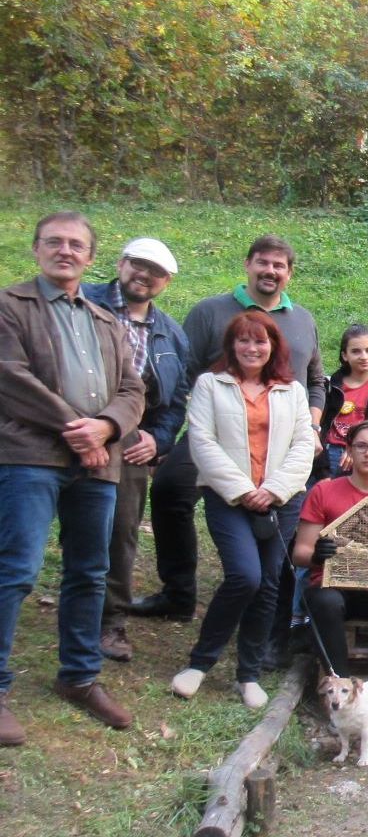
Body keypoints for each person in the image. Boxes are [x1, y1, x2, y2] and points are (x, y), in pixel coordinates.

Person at [0, 211, 145, 745]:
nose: (65, 251)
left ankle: (79, 676)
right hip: (29, 457)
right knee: (16, 568)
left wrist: (106, 426)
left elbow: (134, 389)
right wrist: (74, 428)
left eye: (76, 245)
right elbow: (8, 376)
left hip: (97, 465)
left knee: (89, 571)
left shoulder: (107, 320)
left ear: (89, 257)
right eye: (54, 242)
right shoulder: (10, 306)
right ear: (36, 249)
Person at [136, 234, 325, 623]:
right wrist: (165, 436)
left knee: (288, 512)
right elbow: (183, 375)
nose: (270, 271)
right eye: (263, 263)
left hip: (285, 437)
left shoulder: (303, 319)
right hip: (218, 432)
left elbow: (316, 380)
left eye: (279, 265)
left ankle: (268, 608)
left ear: (289, 274)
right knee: (171, 489)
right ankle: (178, 593)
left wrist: (314, 426)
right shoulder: (211, 312)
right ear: (248, 265)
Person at [169, 311, 314, 709]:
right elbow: (202, 442)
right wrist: (244, 490)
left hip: (280, 500)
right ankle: (199, 664)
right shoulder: (210, 386)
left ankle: (248, 674)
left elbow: (304, 445)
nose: (252, 348)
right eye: (244, 341)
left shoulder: (292, 391)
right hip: (229, 499)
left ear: (273, 347)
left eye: (261, 341)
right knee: (244, 576)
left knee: (268, 584)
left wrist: (273, 489)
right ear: (231, 345)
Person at [82, 237, 189, 663]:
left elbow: (176, 397)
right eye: (138, 265)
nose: (145, 275)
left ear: (167, 282)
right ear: (121, 263)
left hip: (127, 443)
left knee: (120, 532)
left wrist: (159, 439)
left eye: (156, 271)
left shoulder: (171, 334)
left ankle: (110, 622)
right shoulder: (83, 302)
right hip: (63, 426)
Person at [291, 420, 368, 678]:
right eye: (361, 446)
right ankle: (339, 683)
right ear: (349, 450)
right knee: (325, 601)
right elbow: (299, 553)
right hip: (333, 586)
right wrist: (317, 555)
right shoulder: (323, 492)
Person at [316, 324, 368, 480]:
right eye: (355, 351)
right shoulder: (328, 388)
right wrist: (322, 470)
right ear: (345, 355)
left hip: (363, 456)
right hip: (326, 454)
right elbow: (318, 429)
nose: (364, 356)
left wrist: (355, 448)